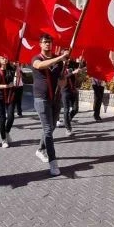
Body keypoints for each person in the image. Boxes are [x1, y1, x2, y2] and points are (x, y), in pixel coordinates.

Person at [32, 34, 69, 176]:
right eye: (45, 42)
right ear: (40, 44)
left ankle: (40, 149)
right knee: (48, 129)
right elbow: (40, 66)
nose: (48, 44)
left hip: (55, 98)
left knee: (52, 127)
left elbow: (62, 81)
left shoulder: (59, 62)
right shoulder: (36, 58)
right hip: (41, 99)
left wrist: (63, 79)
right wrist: (61, 57)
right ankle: (53, 163)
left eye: (49, 42)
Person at [0, 55, 17, 148]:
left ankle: (6, 132)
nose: (5, 59)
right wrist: (6, 86)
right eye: (2, 58)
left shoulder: (11, 69)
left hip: (10, 96)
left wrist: (17, 67)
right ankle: (3, 140)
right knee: (2, 119)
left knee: (11, 117)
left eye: (6, 58)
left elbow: (16, 77)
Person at [60, 58, 84, 136]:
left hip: (73, 90)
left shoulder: (71, 66)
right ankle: (68, 128)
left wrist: (81, 62)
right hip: (65, 91)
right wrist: (73, 72)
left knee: (75, 109)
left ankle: (67, 120)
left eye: (68, 58)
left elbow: (81, 66)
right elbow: (62, 77)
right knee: (66, 110)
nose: (67, 60)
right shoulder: (59, 68)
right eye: (65, 58)